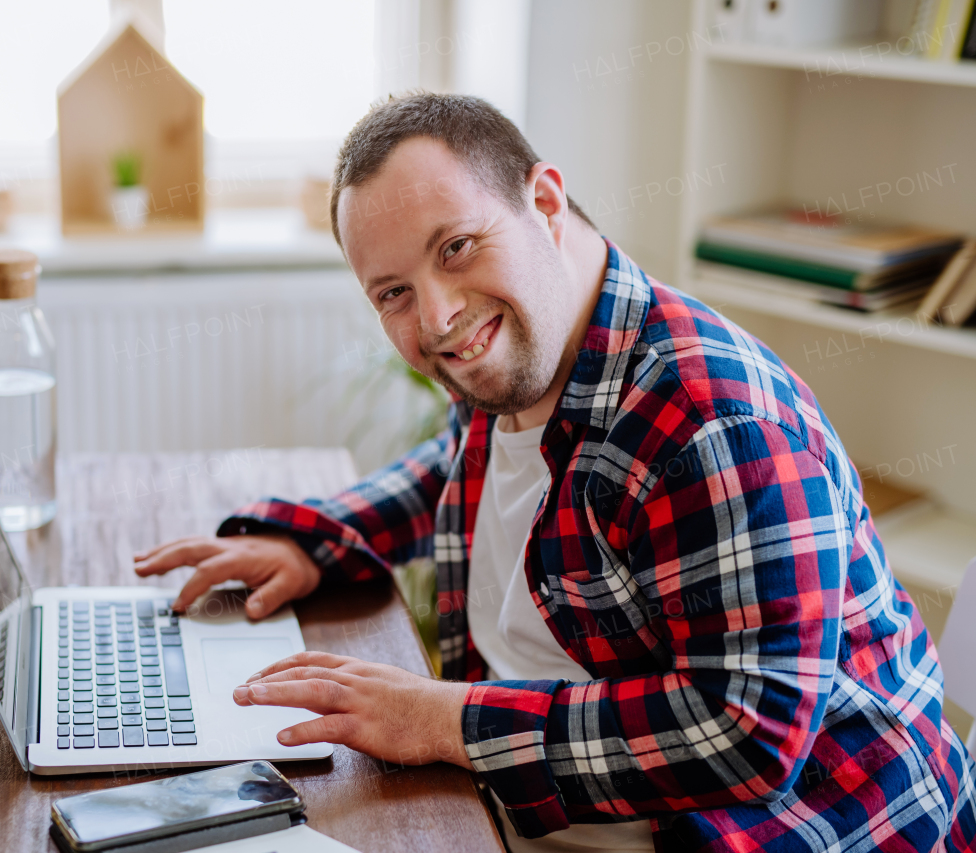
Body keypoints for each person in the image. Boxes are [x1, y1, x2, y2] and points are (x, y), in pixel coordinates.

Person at [134, 93, 976, 852]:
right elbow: (460, 464)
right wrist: (320, 542)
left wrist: (444, 720)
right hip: (559, 803)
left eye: (457, 247)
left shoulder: (710, 419)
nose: (436, 316)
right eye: (392, 292)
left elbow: (747, 736)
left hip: (802, 829)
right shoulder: (529, 351)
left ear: (542, 202)